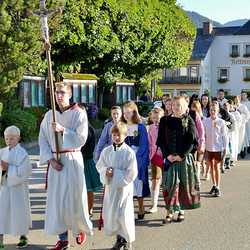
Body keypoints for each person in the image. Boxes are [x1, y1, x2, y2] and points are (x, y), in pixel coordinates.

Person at [39, 82, 93, 250]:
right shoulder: (49, 115)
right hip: (56, 162)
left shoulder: (79, 113)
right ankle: (62, 239)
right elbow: (42, 138)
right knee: (58, 201)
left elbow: (82, 138)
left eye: (62, 92)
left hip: (72, 159)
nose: (59, 95)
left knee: (74, 198)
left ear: (69, 94)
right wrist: (50, 159)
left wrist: (63, 130)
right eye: (56, 92)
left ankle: (78, 231)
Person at [157, 96, 200, 223]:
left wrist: (181, 155)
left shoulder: (189, 120)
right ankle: (169, 212)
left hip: (184, 158)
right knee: (170, 185)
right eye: (175, 105)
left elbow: (192, 141)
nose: (177, 107)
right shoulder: (164, 120)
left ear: (185, 107)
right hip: (169, 158)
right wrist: (167, 155)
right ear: (170, 106)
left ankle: (181, 210)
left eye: (180, 105)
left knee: (182, 185)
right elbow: (161, 140)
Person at [96, 122, 138, 250]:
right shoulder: (106, 151)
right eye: (114, 135)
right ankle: (119, 239)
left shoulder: (129, 152)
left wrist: (115, 174)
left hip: (124, 189)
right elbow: (100, 166)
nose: (116, 138)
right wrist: (106, 172)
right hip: (111, 189)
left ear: (125, 136)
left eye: (119, 135)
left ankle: (125, 240)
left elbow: (132, 173)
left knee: (123, 215)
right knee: (113, 215)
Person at [0, 126, 32, 249]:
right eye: (7, 138)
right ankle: (0, 239)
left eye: (12, 138)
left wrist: (9, 168)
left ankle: (23, 236)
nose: (9, 141)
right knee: (1, 213)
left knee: (20, 213)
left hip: (18, 190)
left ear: (18, 138)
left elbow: (25, 172)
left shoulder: (22, 154)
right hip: (4, 189)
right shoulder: (1, 152)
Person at [123, 101, 150, 220]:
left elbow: (144, 145)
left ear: (134, 112)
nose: (126, 115)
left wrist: (138, 159)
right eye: (125, 112)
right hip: (124, 158)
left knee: (138, 185)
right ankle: (127, 210)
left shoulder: (140, 127)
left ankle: (141, 207)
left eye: (129, 112)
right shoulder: (122, 127)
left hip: (137, 158)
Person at [203, 103, 228, 197]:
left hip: (218, 147)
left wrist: (225, 148)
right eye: (211, 110)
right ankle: (214, 185)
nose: (212, 112)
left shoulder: (221, 122)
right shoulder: (206, 121)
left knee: (216, 167)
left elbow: (224, 136)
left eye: (214, 110)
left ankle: (218, 186)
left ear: (217, 111)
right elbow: (203, 134)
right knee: (211, 167)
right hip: (209, 147)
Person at [81, 122, 102, 217]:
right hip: (76, 160)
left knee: (88, 188)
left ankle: (89, 209)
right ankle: (82, 209)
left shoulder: (89, 128)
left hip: (86, 161)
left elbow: (91, 146)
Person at [148, 107, 164, 213]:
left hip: (166, 156)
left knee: (167, 181)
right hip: (155, 156)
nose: (156, 120)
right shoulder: (150, 128)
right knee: (155, 180)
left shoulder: (166, 127)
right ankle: (154, 204)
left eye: (158, 118)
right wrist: (149, 156)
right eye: (154, 118)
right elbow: (149, 143)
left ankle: (172, 203)